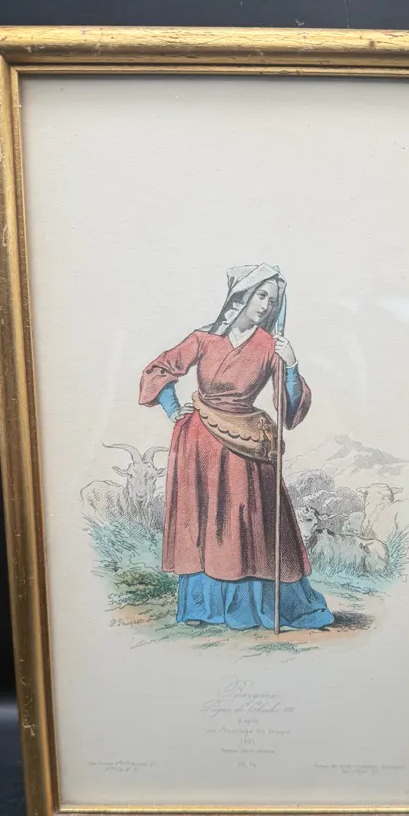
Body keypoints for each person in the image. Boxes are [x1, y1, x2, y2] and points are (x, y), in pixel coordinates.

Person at [139, 264, 334, 631]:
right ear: (242, 295)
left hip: (247, 446)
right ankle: (202, 607)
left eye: (272, 301)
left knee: (248, 522)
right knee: (202, 519)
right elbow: (159, 370)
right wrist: (172, 408)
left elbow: (290, 409)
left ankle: (253, 607)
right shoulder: (204, 338)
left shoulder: (271, 347)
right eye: (261, 295)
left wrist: (292, 365)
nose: (265, 306)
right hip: (198, 443)